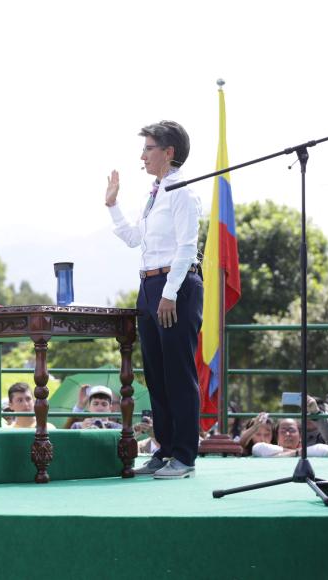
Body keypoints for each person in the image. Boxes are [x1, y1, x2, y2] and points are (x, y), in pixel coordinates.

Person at [105, 121, 203, 480]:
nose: (142, 155)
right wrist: (113, 205)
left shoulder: (181, 190)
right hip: (149, 285)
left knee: (178, 373)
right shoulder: (156, 191)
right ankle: (164, 449)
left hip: (173, 285)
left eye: (148, 148)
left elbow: (187, 246)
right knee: (156, 374)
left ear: (168, 152)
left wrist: (169, 293)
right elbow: (134, 238)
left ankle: (185, 456)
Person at [252, 417, 328, 458]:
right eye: (283, 431)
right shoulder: (268, 451)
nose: (287, 434)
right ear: (277, 436)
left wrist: (295, 453)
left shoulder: (308, 452)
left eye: (292, 430)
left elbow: (326, 450)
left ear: (300, 435)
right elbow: (256, 448)